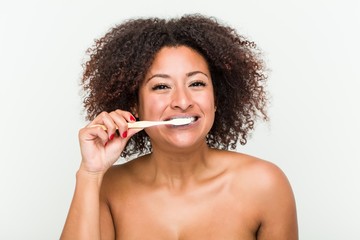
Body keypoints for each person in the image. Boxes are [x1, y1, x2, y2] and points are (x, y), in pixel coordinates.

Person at [60, 14, 298, 240]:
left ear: (216, 99)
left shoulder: (265, 186)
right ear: (135, 105)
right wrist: (90, 174)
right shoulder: (107, 188)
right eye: (161, 87)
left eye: (196, 83)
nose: (182, 102)